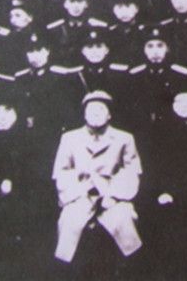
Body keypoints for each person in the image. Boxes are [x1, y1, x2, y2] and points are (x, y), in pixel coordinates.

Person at [51, 90, 143, 266]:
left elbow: (131, 171)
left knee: (124, 221)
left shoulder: (124, 138)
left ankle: (130, 268)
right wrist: (79, 192)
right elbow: (62, 172)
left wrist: (112, 194)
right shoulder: (69, 138)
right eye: (91, 110)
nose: (95, 114)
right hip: (80, 196)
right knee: (69, 222)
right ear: (84, 114)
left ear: (109, 115)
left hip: (113, 197)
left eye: (101, 109)